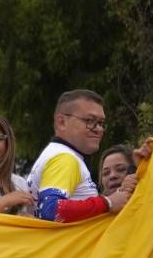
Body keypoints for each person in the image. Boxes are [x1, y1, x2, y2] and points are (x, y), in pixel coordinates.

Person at [28, 89, 132, 222]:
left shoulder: (57, 154)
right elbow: (51, 209)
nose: (98, 129)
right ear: (62, 122)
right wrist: (107, 203)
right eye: (89, 120)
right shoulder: (64, 158)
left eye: (101, 123)